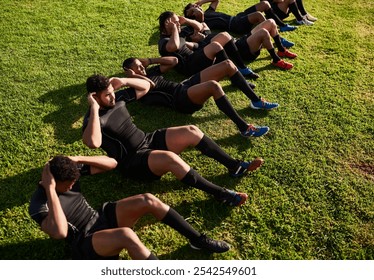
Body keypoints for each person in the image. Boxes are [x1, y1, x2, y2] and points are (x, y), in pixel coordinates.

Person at [82, 74, 264, 208]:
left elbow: (146, 86)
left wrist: (123, 81)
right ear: (95, 97)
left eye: (112, 92)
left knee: (191, 131)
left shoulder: (118, 98)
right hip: (133, 160)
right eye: (107, 95)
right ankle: (222, 194)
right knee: (171, 159)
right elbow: (93, 142)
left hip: (147, 140)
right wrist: (94, 109)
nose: (113, 96)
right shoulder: (93, 120)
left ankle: (235, 166)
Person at [29, 155, 231, 260]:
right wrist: (51, 190)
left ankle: (197, 240)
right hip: (85, 241)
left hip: (100, 217)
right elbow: (60, 232)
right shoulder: (38, 204)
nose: (73, 185)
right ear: (53, 181)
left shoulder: (68, 175)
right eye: (69, 184)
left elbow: (112, 163)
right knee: (126, 235)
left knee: (148, 199)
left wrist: (78, 160)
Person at [122, 56, 270, 137]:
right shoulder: (136, 87)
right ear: (129, 73)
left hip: (185, 86)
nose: (142, 68)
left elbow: (174, 61)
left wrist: (150, 61)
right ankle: (244, 128)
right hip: (180, 100)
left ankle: (256, 101)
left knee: (227, 64)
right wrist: (134, 76)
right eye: (138, 68)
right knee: (213, 86)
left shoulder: (151, 72)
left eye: (141, 65)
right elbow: (151, 86)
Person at [157, 11, 260, 80]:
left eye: (178, 22)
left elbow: (201, 26)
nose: (178, 24)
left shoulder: (180, 32)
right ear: (167, 25)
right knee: (216, 45)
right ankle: (236, 76)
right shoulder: (164, 41)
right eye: (175, 23)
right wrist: (175, 29)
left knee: (224, 35)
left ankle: (242, 68)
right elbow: (173, 46)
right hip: (191, 65)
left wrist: (186, 20)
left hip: (197, 52)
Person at [180, 14, 297, 70]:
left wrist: (185, 20)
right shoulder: (201, 45)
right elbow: (182, 44)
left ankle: (281, 50)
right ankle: (276, 59)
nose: (198, 33)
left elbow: (201, 23)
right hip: (242, 50)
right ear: (192, 40)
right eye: (194, 34)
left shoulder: (206, 32)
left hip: (240, 41)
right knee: (263, 33)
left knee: (270, 22)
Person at [183, 0, 298, 33]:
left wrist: (201, 2)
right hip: (235, 25)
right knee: (258, 15)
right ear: (191, 15)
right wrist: (193, 10)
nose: (197, 8)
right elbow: (199, 16)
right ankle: (274, 34)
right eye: (193, 9)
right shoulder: (200, 20)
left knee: (265, 4)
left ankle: (281, 25)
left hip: (238, 17)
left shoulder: (208, 11)